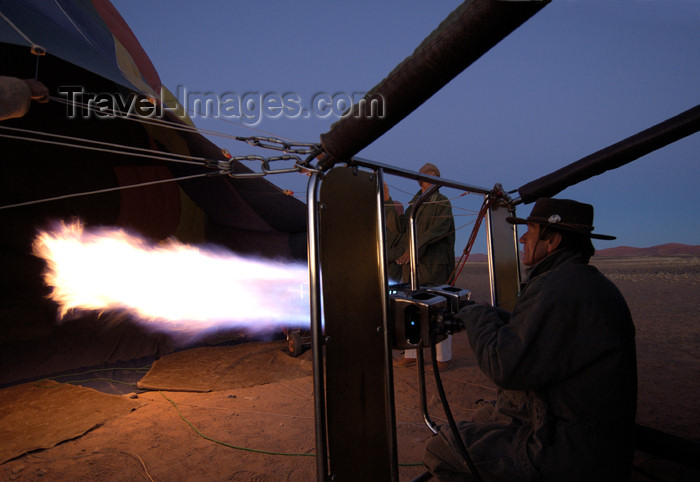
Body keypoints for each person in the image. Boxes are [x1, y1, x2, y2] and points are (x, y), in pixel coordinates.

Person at [423, 198, 638, 481]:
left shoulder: (559, 287)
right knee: (483, 417)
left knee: (441, 449)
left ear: (552, 241)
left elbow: (505, 366)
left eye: (531, 232)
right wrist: (497, 317)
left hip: (565, 446)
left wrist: (477, 316)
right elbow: (542, 336)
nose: (523, 238)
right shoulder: (582, 282)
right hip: (589, 436)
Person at [384, 162, 456, 369]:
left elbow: (436, 231)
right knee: (411, 308)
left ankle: (443, 358)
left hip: (435, 267)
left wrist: (413, 249)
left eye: (433, 174)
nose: (430, 177)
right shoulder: (415, 203)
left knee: (439, 308)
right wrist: (387, 199)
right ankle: (412, 354)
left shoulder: (443, 202)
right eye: (427, 174)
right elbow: (399, 227)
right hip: (413, 268)